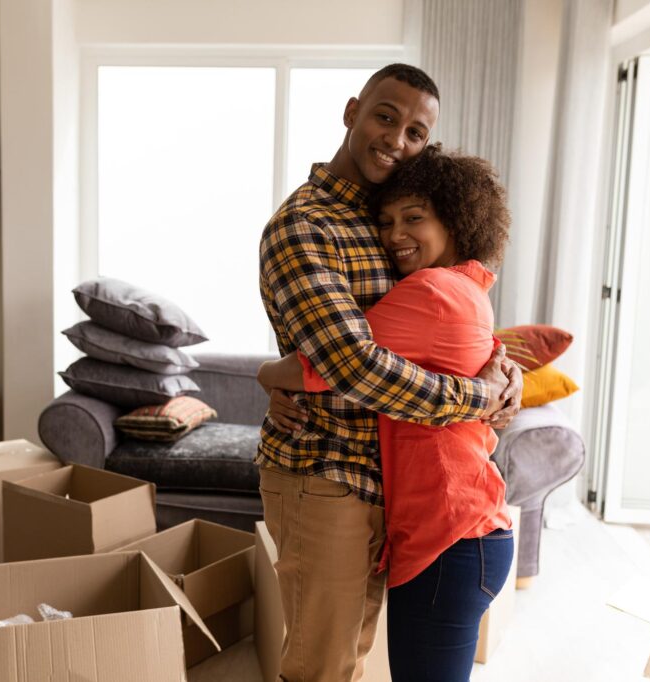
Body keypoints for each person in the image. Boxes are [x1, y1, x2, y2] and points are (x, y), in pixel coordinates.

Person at [256, 63, 522, 682]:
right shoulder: (305, 227)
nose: (396, 141)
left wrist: (502, 368)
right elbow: (352, 363)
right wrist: (477, 396)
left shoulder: (388, 217)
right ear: (352, 112)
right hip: (324, 472)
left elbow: (440, 322)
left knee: (350, 656)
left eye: (416, 132)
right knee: (321, 665)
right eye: (385, 117)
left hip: (386, 480)